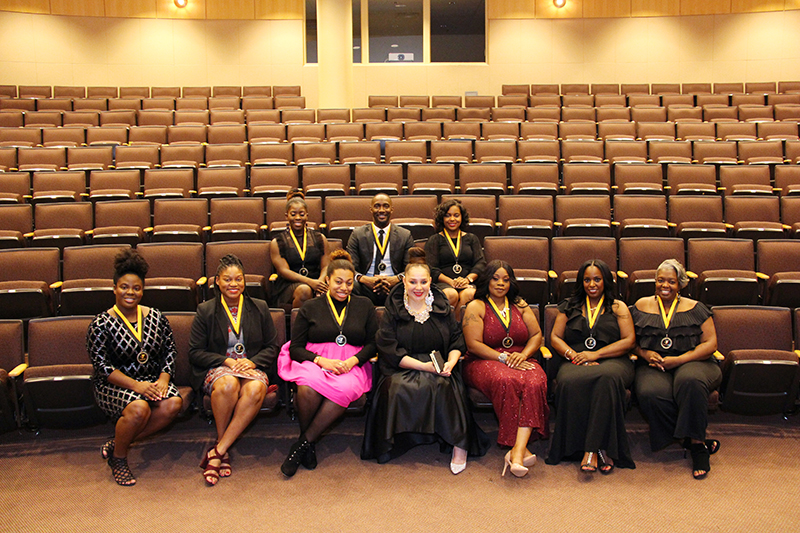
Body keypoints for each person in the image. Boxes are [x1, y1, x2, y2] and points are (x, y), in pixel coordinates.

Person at [361, 247, 490, 474]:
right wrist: (423, 366)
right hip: (401, 365)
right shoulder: (394, 308)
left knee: (444, 386)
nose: (418, 288)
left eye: (423, 282)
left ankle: (460, 446)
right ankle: (399, 440)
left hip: (439, 363)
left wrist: (451, 362)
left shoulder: (441, 306)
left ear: (431, 281)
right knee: (397, 387)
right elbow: (388, 348)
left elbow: (457, 341)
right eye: (412, 282)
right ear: (405, 282)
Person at [277, 249, 378, 477]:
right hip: (317, 360)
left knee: (345, 389)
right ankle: (309, 443)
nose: (344, 287)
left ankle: (302, 444)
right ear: (328, 280)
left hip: (352, 364)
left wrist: (353, 360)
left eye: (349, 283)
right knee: (306, 387)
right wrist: (321, 361)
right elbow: (296, 348)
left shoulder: (365, 306)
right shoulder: (310, 307)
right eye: (338, 282)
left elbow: (373, 344)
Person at [86, 249, 183, 486]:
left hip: (150, 379)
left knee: (173, 403)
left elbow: (170, 351)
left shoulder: (156, 317)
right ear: (114, 288)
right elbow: (102, 367)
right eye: (124, 287)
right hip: (114, 384)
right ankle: (119, 458)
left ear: (143, 290)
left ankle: (120, 441)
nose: (130, 292)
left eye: (136, 288)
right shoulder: (100, 323)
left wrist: (163, 379)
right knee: (139, 409)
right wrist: (137, 386)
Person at [189, 254, 279, 486]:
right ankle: (223, 448)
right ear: (217, 281)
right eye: (227, 279)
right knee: (228, 384)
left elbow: (272, 347)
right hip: (219, 368)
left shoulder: (258, 307)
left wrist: (253, 361)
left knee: (257, 388)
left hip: (250, 367)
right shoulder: (206, 310)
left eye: (238, 279)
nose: (233, 284)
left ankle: (218, 451)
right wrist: (225, 361)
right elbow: (195, 352)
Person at [631, 259, 721, 480]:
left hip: (695, 363)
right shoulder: (641, 306)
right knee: (650, 393)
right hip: (653, 365)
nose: (665, 286)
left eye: (671, 281)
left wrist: (679, 360)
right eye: (660, 280)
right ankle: (686, 437)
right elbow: (629, 341)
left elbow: (711, 344)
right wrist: (644, 354)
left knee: (690, 381)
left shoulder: (696, 308)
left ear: (680, 284)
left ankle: (698, 447)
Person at [546, 259, 636, 473]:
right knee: (568, 381)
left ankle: (591, 449)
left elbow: (629, 340)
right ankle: (592, 449)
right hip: (575, 358)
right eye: (587, 280)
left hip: (612, 359)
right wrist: (574, 355)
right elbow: (555, 337)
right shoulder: (569, 305)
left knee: (607, 378)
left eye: (597, 279)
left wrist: (595, 354)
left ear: (606, 281)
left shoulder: (617, 306)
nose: (592, 284)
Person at [462, 260, 549, 478]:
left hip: (520, 358)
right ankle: (521, 449)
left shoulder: (520, 305)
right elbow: (473, 344)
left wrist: (524, 354)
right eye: (495, 278)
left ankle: (516, 452)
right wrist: (503, 357)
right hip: (483, 360)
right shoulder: (476, 305)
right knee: (507, 380)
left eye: (506, 279)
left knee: (536, 380)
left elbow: (537, 335)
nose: (501, 283)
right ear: (487, 280)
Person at [346, 192, 415, 306]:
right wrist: (364, 279)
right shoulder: (357, 234)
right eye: (377, 206)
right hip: (365, 286)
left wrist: (396, 279)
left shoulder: (405, 235)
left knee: (410, 284)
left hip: (395, 285)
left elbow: (411, 267)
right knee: (351, 285)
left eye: (386, 206)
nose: (382, 210)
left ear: (392, 209)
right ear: (371, 209)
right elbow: (350, 267)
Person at [424, 198, 485, 319]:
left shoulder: (472, 238)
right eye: (447, 216)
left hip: (466, 282)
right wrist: (451, 282)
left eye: (456, 215)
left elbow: (480, 263)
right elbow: (431, 268)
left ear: (462, 218)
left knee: (470, 293)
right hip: (443, 283)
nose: (452, 219)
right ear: (442, 219)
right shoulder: (435, 240)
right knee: (451, 294)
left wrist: (467, 280)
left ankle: (456, 327)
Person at [270, 190, 330, 308]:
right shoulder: (278, 242)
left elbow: (326, 266)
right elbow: (283, 271)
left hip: (317, 280)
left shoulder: (320, 238)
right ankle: (300, 326)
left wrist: (320, 283)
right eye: (293, 214)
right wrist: (310, 282)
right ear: (287, 216)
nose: (298, 218)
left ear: (307, 215)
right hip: (289, 285)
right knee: (304, 290)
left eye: (301, 214)